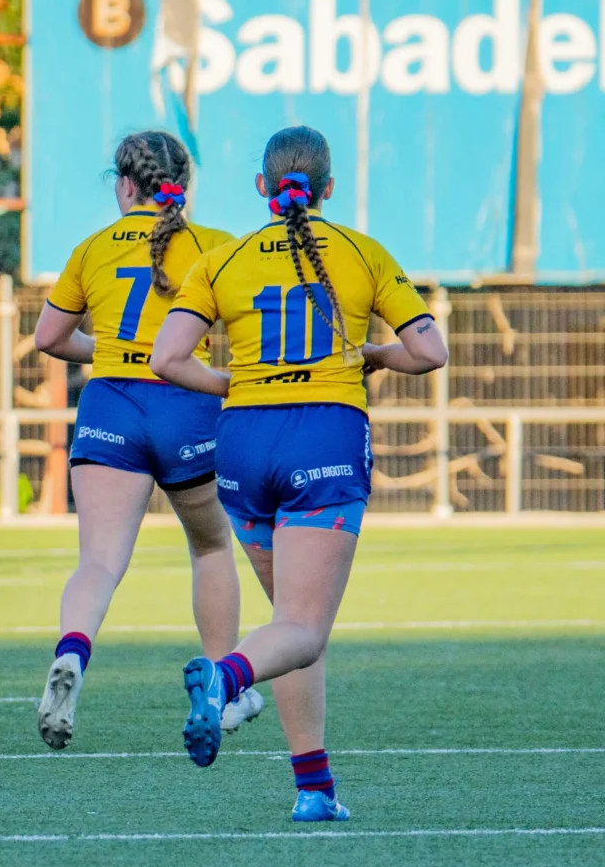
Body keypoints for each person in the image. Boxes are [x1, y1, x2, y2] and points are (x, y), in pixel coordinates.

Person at [149, 125, 447, 820]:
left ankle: (315, 789)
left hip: (243, 444)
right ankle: (225, 678)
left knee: (289, 627)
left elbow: (167, 358)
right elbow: (430, 351)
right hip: (323, 436)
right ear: (328, 187)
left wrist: (232, 383)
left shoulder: (223, 259)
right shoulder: (362, 251)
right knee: (303, 631)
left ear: (262, 185)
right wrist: (373, 355)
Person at [30, 130, 264, 750]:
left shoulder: (91, 248)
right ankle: (223, 689)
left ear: (125, 185)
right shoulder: (215, 246)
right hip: (187, 405)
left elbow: (49, 338)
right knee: (211, 545)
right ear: (183, 185)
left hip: (111, 404)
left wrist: (112, 350)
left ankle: (73, 652)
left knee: (98, 562)